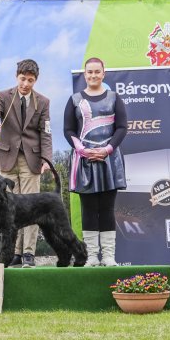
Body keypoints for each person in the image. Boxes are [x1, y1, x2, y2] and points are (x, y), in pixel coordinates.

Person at [0, 59, 52, 268]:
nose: (25, 84)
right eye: (22, 79)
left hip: (32, 160)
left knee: (31, 209)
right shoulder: (3, 96)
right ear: (17, 77)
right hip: (6, 159)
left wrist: (47, 159)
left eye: (30, 80)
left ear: (35, 80)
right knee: (8, 209)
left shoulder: (43, 102)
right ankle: (14, 254)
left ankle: (28, 253)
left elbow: (46, 132)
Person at [64, 57, 127, 267]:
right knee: (89, 209)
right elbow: (68, 130)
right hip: (85, 162)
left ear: (103, 73)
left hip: (109, 161)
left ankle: (108, 256)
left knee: (107, 209)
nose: (93, 75)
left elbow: (122, 127)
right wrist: (82, 150)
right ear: (85, 74)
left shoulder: (114, 98)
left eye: (97, 72)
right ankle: (91, 256)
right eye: (89, 72)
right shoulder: (74, 100)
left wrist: (107, 149)